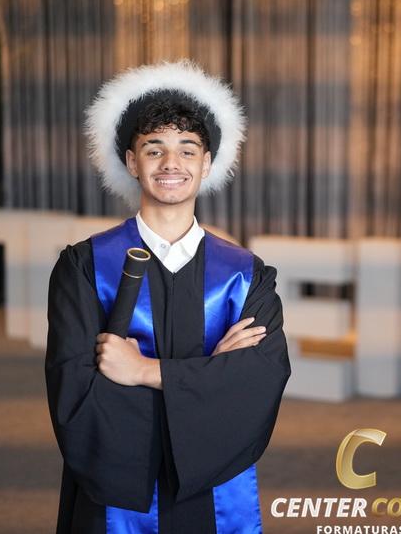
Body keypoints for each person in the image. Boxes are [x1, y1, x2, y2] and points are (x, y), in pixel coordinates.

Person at [44, 60, 291, 533]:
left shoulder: (245, 275)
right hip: (120, 495)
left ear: (207, 164)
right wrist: (211, 372)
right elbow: (73, 390)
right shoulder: (86, 267)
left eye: (187, 150)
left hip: (215, 494)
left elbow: (259, 379)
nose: (171, 164)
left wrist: (142, 372)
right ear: (131, 162)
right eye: (154, 149)